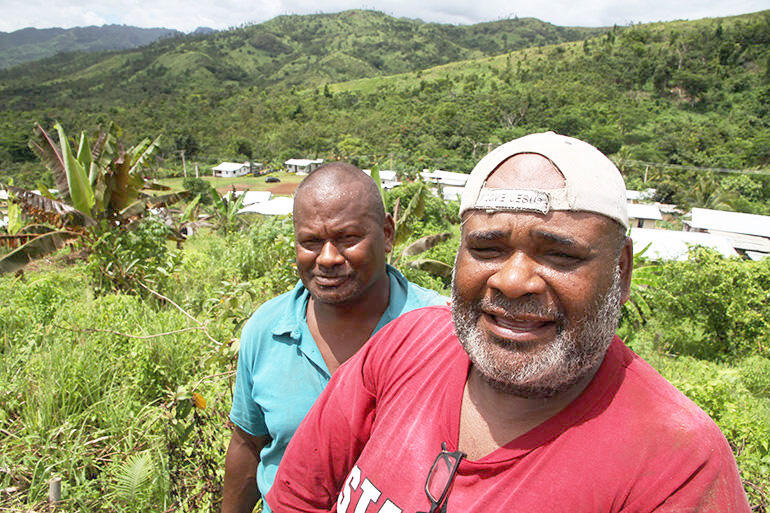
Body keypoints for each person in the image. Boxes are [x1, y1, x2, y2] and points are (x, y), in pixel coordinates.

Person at [267, 133, 751, 513]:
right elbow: (299, 495)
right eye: (488, 248)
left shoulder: (677, 464)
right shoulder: (406, 343)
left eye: (560, 253)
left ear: (621, 270)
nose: (515, 281)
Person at [221, 162, 448, 513]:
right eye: (311, 241)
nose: (327, 258)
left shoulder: (438, 331)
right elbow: (248, 444)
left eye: (348, 238)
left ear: (387, 234)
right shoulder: (267, 329)